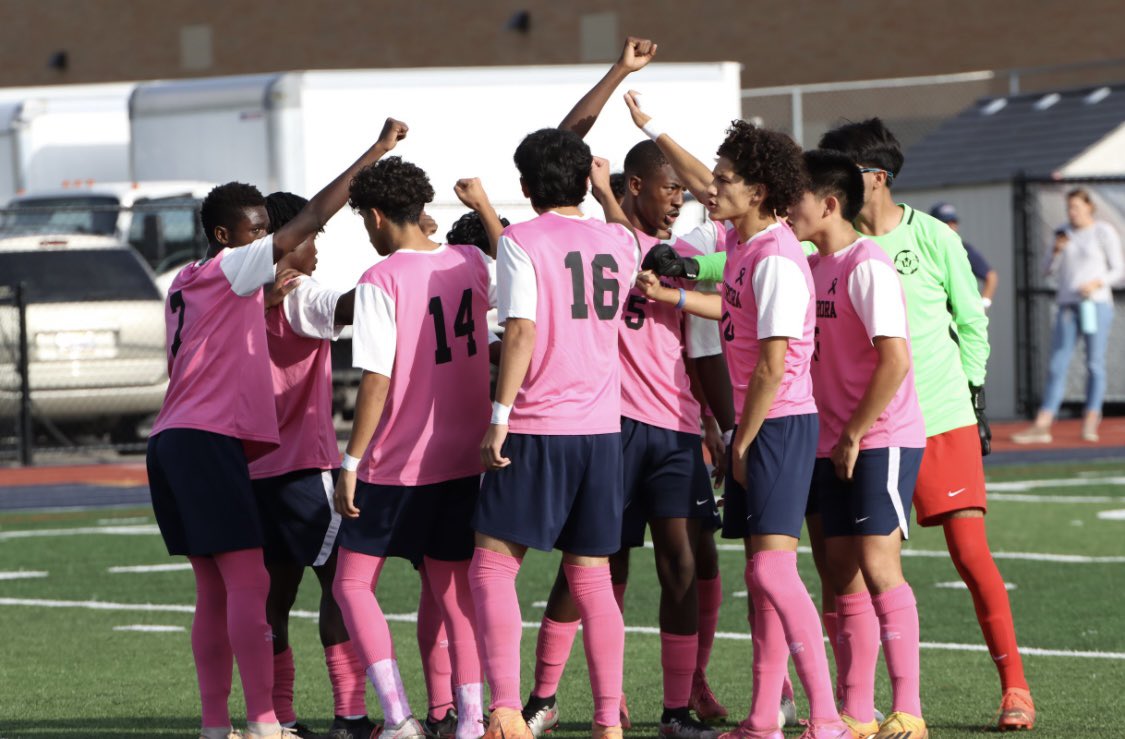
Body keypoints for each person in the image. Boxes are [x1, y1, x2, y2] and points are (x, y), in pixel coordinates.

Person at [146, 117, 407, 739]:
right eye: (260, 231)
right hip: (212, 444)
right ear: (223, 236)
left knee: (216, 590)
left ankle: (220, 726)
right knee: (252, 582)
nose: (275, 242)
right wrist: (374, 154)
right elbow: (311, 216)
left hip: (173, 443)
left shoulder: (184, 283)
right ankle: (268, 723)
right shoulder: (235, 269)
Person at [517, 39, 728, 739]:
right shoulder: (603, 242)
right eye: (667, 190)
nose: (680, 202)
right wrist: (619, 75)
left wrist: (723, 425)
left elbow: (712, 329)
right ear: (631, 188)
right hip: (607, 427)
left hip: (671, 428)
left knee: (682, 561)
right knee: (593, 566)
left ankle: (673, 707)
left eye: (682, 192)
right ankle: (542, 696)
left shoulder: (693, 256)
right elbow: (561, 146)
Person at [817, 119, 1034, 732]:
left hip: (940, 420)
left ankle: (1014, 686)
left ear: (876, 179)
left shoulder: (934, 238)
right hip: (862, 429)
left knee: (969, 552)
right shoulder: (826, 244)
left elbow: (971, 321)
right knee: (848, 570)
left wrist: (974, 398)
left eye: (844, 170)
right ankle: (855, 703)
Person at [636, 117, 850, 739]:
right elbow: (733, 307)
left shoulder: (779, 255)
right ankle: (763, 718)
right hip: (759, 427)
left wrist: (744, 439)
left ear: (758, 191)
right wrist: (672, 295)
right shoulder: (742, 246)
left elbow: (775, 365)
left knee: (771, 573)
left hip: (778, 424)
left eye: (725, 180)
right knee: (761, 583)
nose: (712, 188)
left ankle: (829, 718)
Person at [470, 128, 639, 739]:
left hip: (539, 424)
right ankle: (607, 721)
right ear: (585, 184)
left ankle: (507, 712)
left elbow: (520, 331)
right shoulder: (619, 240)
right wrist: (604, 190)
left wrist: (498, 417)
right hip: (600, 428)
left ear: (524, 187)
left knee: (491, 569)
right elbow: (626, 235)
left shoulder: (520, 239)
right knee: (592, 578)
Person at [332, 158, 495, 739]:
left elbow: (375, 380)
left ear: (376, 216)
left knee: (351, 584)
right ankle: (471, 720)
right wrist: (485, 209)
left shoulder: (380, 281)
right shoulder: (471, 259)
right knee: (453, 592)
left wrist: (350, 462)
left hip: (399, 462)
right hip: (463, 458)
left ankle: (398, 717)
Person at [790, 149, 929, 739]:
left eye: (793, 197)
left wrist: (852, 434)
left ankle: (909, 711)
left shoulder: (866, 264)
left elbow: (895, 360)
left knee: (877, 565)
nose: (783, 207)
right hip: (826, 442)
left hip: (878, 438)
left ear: (828, 203)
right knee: (839, 572)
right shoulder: (807, 266)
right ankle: (858, 712)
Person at [242, 191, 375, 739]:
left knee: (273, 596)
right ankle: (349, 715)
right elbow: (343, 307)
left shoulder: (235, 295)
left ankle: (278, 718)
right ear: (291, 238)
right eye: (312, 235)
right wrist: (402, 263)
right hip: (302, 469)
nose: (317, 247)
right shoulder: (298, 293)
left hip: (246, 470)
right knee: (343, 585)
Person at [1013, 187, 1124, 443]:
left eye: (1076, 207)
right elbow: (1046, 270)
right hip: (1067, 306)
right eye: (1069, 207)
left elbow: (1118, 269)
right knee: (1057, 364)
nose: (1071, 212)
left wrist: (1097, 282)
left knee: (1094, 363)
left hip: (1094, 304)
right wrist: (1056, 251)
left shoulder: (1102, 231)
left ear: (1089, 207)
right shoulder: (1063, 233)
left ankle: (1090, 418)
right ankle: (1043, 424)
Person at [929, 203, 998, 310]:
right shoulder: (924, 249)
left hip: (957, 316)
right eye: (945, 222)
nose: (951, 226)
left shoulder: (963, 249)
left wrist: (983, 304)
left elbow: (991, 276)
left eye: (953, 222)